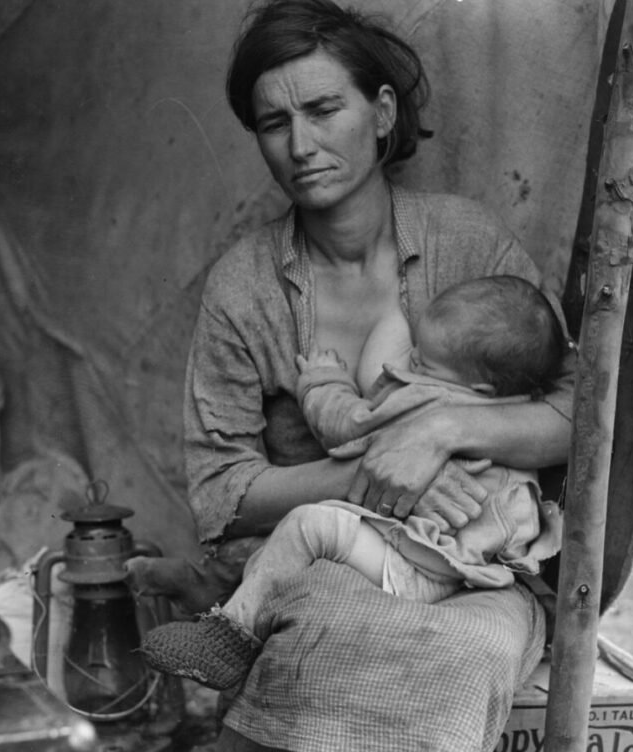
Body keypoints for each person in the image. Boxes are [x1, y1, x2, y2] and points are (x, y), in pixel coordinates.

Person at [138, 1, 577, 752]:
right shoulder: (247, 285)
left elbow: (579, 416)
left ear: (380, 114)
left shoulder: (468, 244)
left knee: (467, 659)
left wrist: (439, 431)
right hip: (337, 563)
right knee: (324, 642)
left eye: (323, 108)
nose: (301, 145)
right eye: (274, 123)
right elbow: (220, 493)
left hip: (480, 570)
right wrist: (374, 470)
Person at [142, 275, 567, 691]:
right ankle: (217, 592)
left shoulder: (429, 399)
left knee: (308, 526)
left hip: (421, 567)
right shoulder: (515, 409)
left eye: (421, 361)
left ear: (477, 386)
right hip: (463, 562)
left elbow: (347, 425)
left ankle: (228, 640)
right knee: (291, 550)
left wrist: (323, 380)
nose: (409, 361)